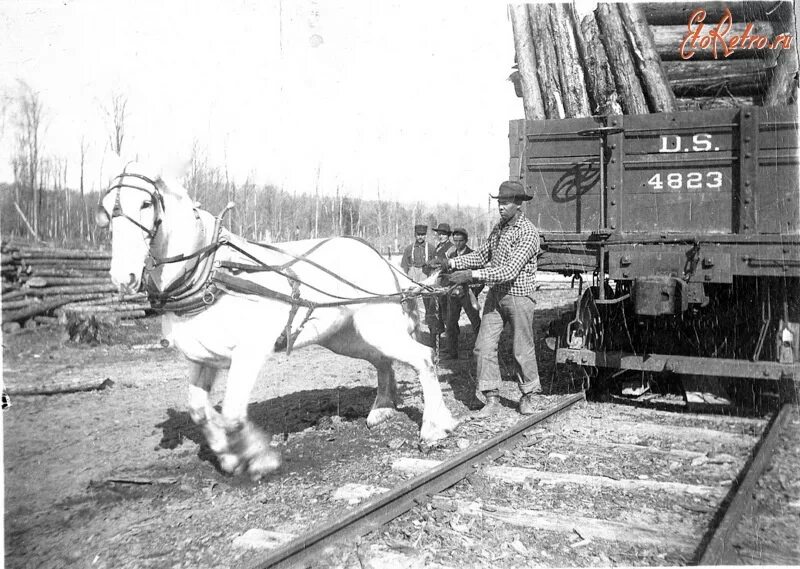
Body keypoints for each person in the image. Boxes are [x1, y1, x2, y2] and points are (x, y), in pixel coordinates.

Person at [443, 180, 542, 415]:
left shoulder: (528, 233)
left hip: (519, 296)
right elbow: (481, 255)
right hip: (496, 296)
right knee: (482, 347)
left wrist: (471, 275)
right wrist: (451, 262)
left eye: (505, 203)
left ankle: (528, 395)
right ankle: (492, 399)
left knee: (522, 349)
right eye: (499, 203)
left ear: (519, 205)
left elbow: (509, 270)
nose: (500, 207)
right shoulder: (499, 228)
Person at [440, 227, 482, 359]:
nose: (457, 243)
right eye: (455, 240)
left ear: (466, 240)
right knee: (451, 324)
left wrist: (473, 292)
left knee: (476, 323)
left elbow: (481, 278)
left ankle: (481, 351)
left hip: (467, 294)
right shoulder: (451, 256)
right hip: (453, 295)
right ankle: (452, 353)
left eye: (460, 240)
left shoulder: (473, 255)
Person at [400, 224, 439, 340]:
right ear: (415, 235)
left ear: (425, 235)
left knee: (430, 305)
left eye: (422, 235)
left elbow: (436, 265)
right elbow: (404, 266)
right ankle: (409, 333)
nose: (420, 237)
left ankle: (432, 333)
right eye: (418, 235)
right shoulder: (409, 248)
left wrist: (432, 277)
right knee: (408, 304)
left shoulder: (431, 248)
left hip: (426, 276)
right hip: (412, 276)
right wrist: (405, 280)